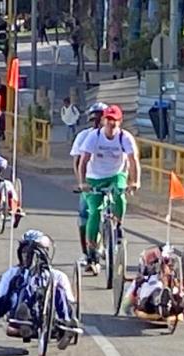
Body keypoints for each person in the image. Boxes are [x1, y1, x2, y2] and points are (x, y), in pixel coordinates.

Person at [0, 230, 82, 350]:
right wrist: (15, 284)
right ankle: (23, 319)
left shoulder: (57, 275)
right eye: (25, 252)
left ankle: (65, 325)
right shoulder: (12, 273)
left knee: (59, 291)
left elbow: (69, 301)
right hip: (19, 311)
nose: (29, 257)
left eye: (35, 253)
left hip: (51, 314)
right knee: (24, 287)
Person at [78, 105, 141, 275]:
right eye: (108, 120)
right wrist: (83, 182)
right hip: (94, 177)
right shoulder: (94, 137)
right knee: (94, 213)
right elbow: (83, 161)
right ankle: (92, 250)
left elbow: (133, 160)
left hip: (116, 174)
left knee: (120, 195)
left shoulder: (124, 138)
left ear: (120, 122)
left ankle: (118, 224)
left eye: (114, 120)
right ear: (103, 120)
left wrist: (135, 181)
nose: (111, 123)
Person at [70, 102, 107, 262]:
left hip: (108, 179)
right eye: (95, 119)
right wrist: (82, 183)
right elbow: (78, 162)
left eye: (101, 118)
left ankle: (112, 240)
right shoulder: (84, 136)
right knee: (85, 216)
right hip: (90, 182)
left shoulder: (116, 136)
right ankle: (86, 252)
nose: (98, 122)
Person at [124, 245, 184, 321]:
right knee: (157, 289)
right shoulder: (144, 279)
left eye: (170, 266)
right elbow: (126, 305)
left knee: (180, 293)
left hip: (172, 300)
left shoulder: (173, 278)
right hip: (149, 303)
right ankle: (163, 305)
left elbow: (180, 286)